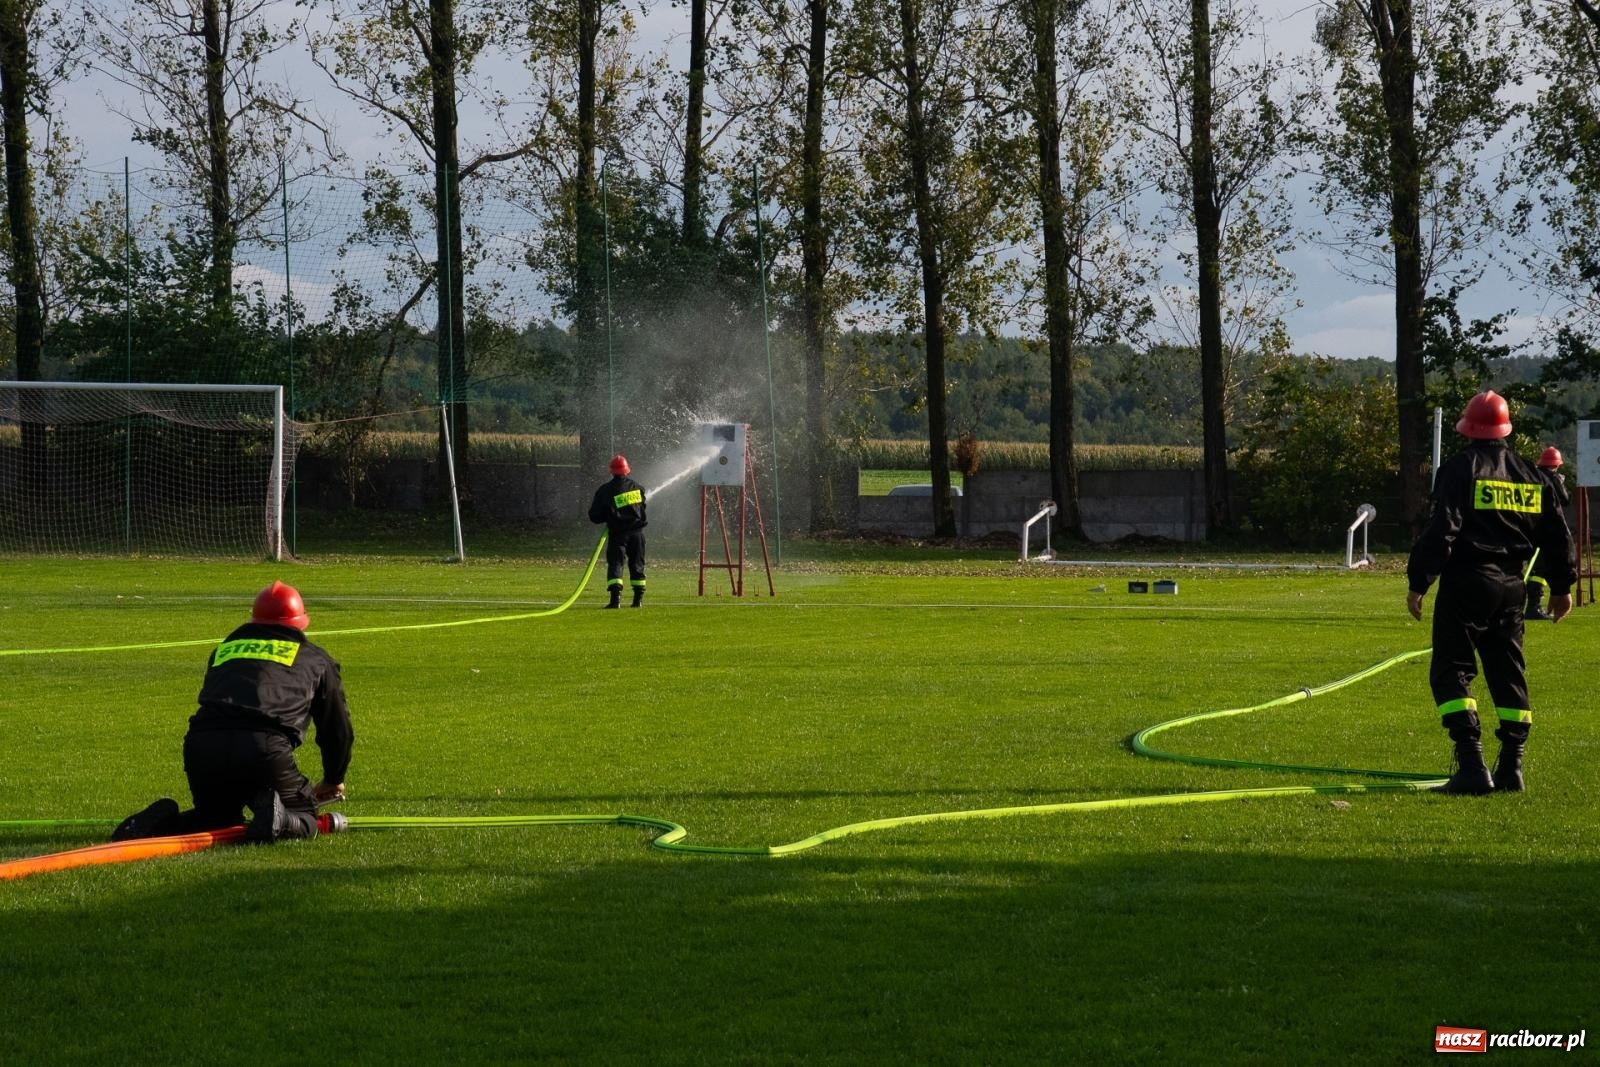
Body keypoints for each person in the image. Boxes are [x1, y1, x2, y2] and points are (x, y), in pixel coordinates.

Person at [1406, 391, 1575, 795]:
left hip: (1467, 582)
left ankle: (1470, 764)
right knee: (1507, 671)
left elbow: (1443, 528)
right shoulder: (1533, 475)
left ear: (1467, 428)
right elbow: (1557, 535)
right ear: (1505, 429)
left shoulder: (1460, 468)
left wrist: (1419, 580)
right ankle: (1512, 767)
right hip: (1512, 587)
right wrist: (1563, 586)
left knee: (1452, 670)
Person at [111, 580, 355, 842]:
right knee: (306, 816)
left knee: (217, 821)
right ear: (299, 623)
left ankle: (163, 824)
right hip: (262, 747)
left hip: (203, 746)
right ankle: (281, 818)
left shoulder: (223, 650)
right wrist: (333, 778)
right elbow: (336, 729)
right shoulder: (315, 659)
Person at [588, 454, 648, 609]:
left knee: (616, 564)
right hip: (637, 534)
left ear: (612, 472)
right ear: (627, 470)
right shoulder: (637, 487)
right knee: (637, 565)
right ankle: (638, 601)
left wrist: (609, 516)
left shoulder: (605, 490)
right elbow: (642, 509)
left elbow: (594, 516)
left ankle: (615, 601)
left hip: (618, 534)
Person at [1524, 446, 1571, 621]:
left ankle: (1532, 605)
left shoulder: (1532, 475)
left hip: (1530, 528)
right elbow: (1565, 500)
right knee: (1539, 570)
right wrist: (1560, 482)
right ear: (1557, 465)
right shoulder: (1552, 477)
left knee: (1535, 567)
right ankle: (1533, 607)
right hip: (1546, 531)